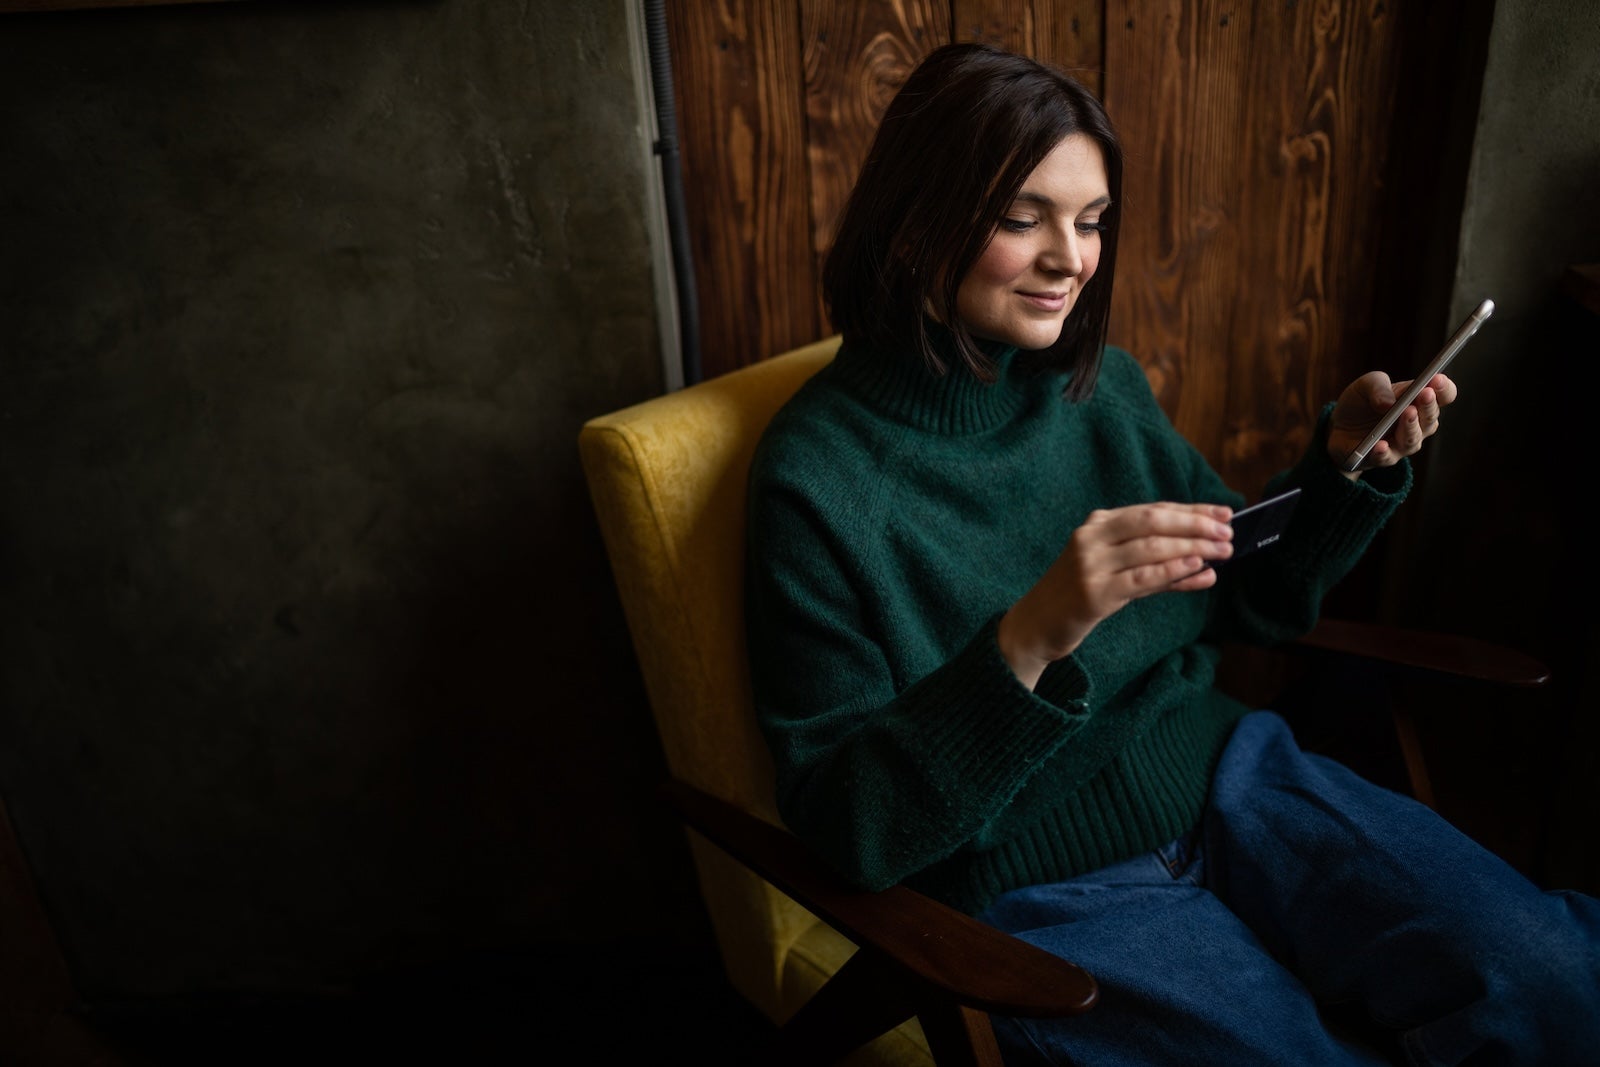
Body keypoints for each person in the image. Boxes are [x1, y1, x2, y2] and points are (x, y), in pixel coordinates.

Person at [743, 42, 1599, 1066]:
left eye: (1091, 219)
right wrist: (1030, 636)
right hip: (1040, 887)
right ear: (914, 217)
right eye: (1022, 217)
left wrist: (1338, 471)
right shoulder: (815, 482)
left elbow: (1253, 597)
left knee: (1546, 967)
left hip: (1236, 779)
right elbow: (849, 827)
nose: (1071, 257)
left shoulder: (1099, 390)